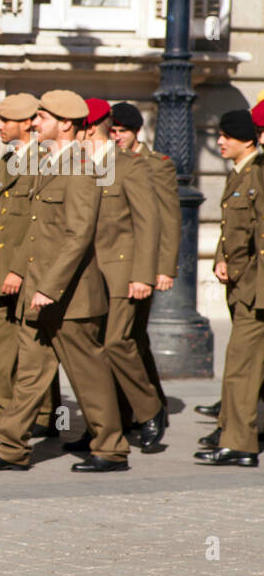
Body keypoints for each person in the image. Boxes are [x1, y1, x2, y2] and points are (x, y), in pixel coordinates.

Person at [0, 90, 128, 473]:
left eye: (43, 117)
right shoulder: (46, 163)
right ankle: (10, 448)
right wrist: (25, 277)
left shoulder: (82, 168)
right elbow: (37, 231)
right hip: (37, 292)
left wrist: (47, 287)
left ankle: (111, 449)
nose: (35, 123)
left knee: (87, 376)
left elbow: (78, 235)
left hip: (69, 298)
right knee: (29, 374)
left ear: (67, 124)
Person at [73, 98, 163, 453]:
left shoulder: (128, 166)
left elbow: (148, 222)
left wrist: (144, 275)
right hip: (86, 274)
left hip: (122, 271)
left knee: (117, 343)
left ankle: (150, 409)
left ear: (90, 128)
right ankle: (104, 424)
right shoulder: (76, 165)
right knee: (93, 351)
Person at [0, 93, 59, 439]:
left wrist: (19, 270)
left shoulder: (46, 161)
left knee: (34, 344)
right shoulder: (9, 160)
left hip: (28, 270)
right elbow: (1, 217)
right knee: (3, 344)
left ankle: (44, 415)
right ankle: (1, 410)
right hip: (3, 266)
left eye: (6, 120)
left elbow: (39, 225)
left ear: (26, 123)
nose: (0, 126)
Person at [194, 110, 263, 467]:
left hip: (255, 290)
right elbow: (232, 229)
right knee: (244, 367)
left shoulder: (257, 173)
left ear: (248, 139)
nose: (219, 141)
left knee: (240, 367)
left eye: (227, 136)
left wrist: (248, 278)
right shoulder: (240, 173)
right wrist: (223, 258)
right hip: (242, 285)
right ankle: (231, 433)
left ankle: (240, 443)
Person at [109, 100, 178, 411]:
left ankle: (148, 407)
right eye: (111, 131)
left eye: (122, 131)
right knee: (130, 339)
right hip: (116, 263)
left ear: (136, 132)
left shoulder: (156, 163)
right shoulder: (108, 161)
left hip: (143, 264)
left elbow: (167, 218)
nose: (116, 137)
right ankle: (143, 406)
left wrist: (163, 269)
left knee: (128, 338)